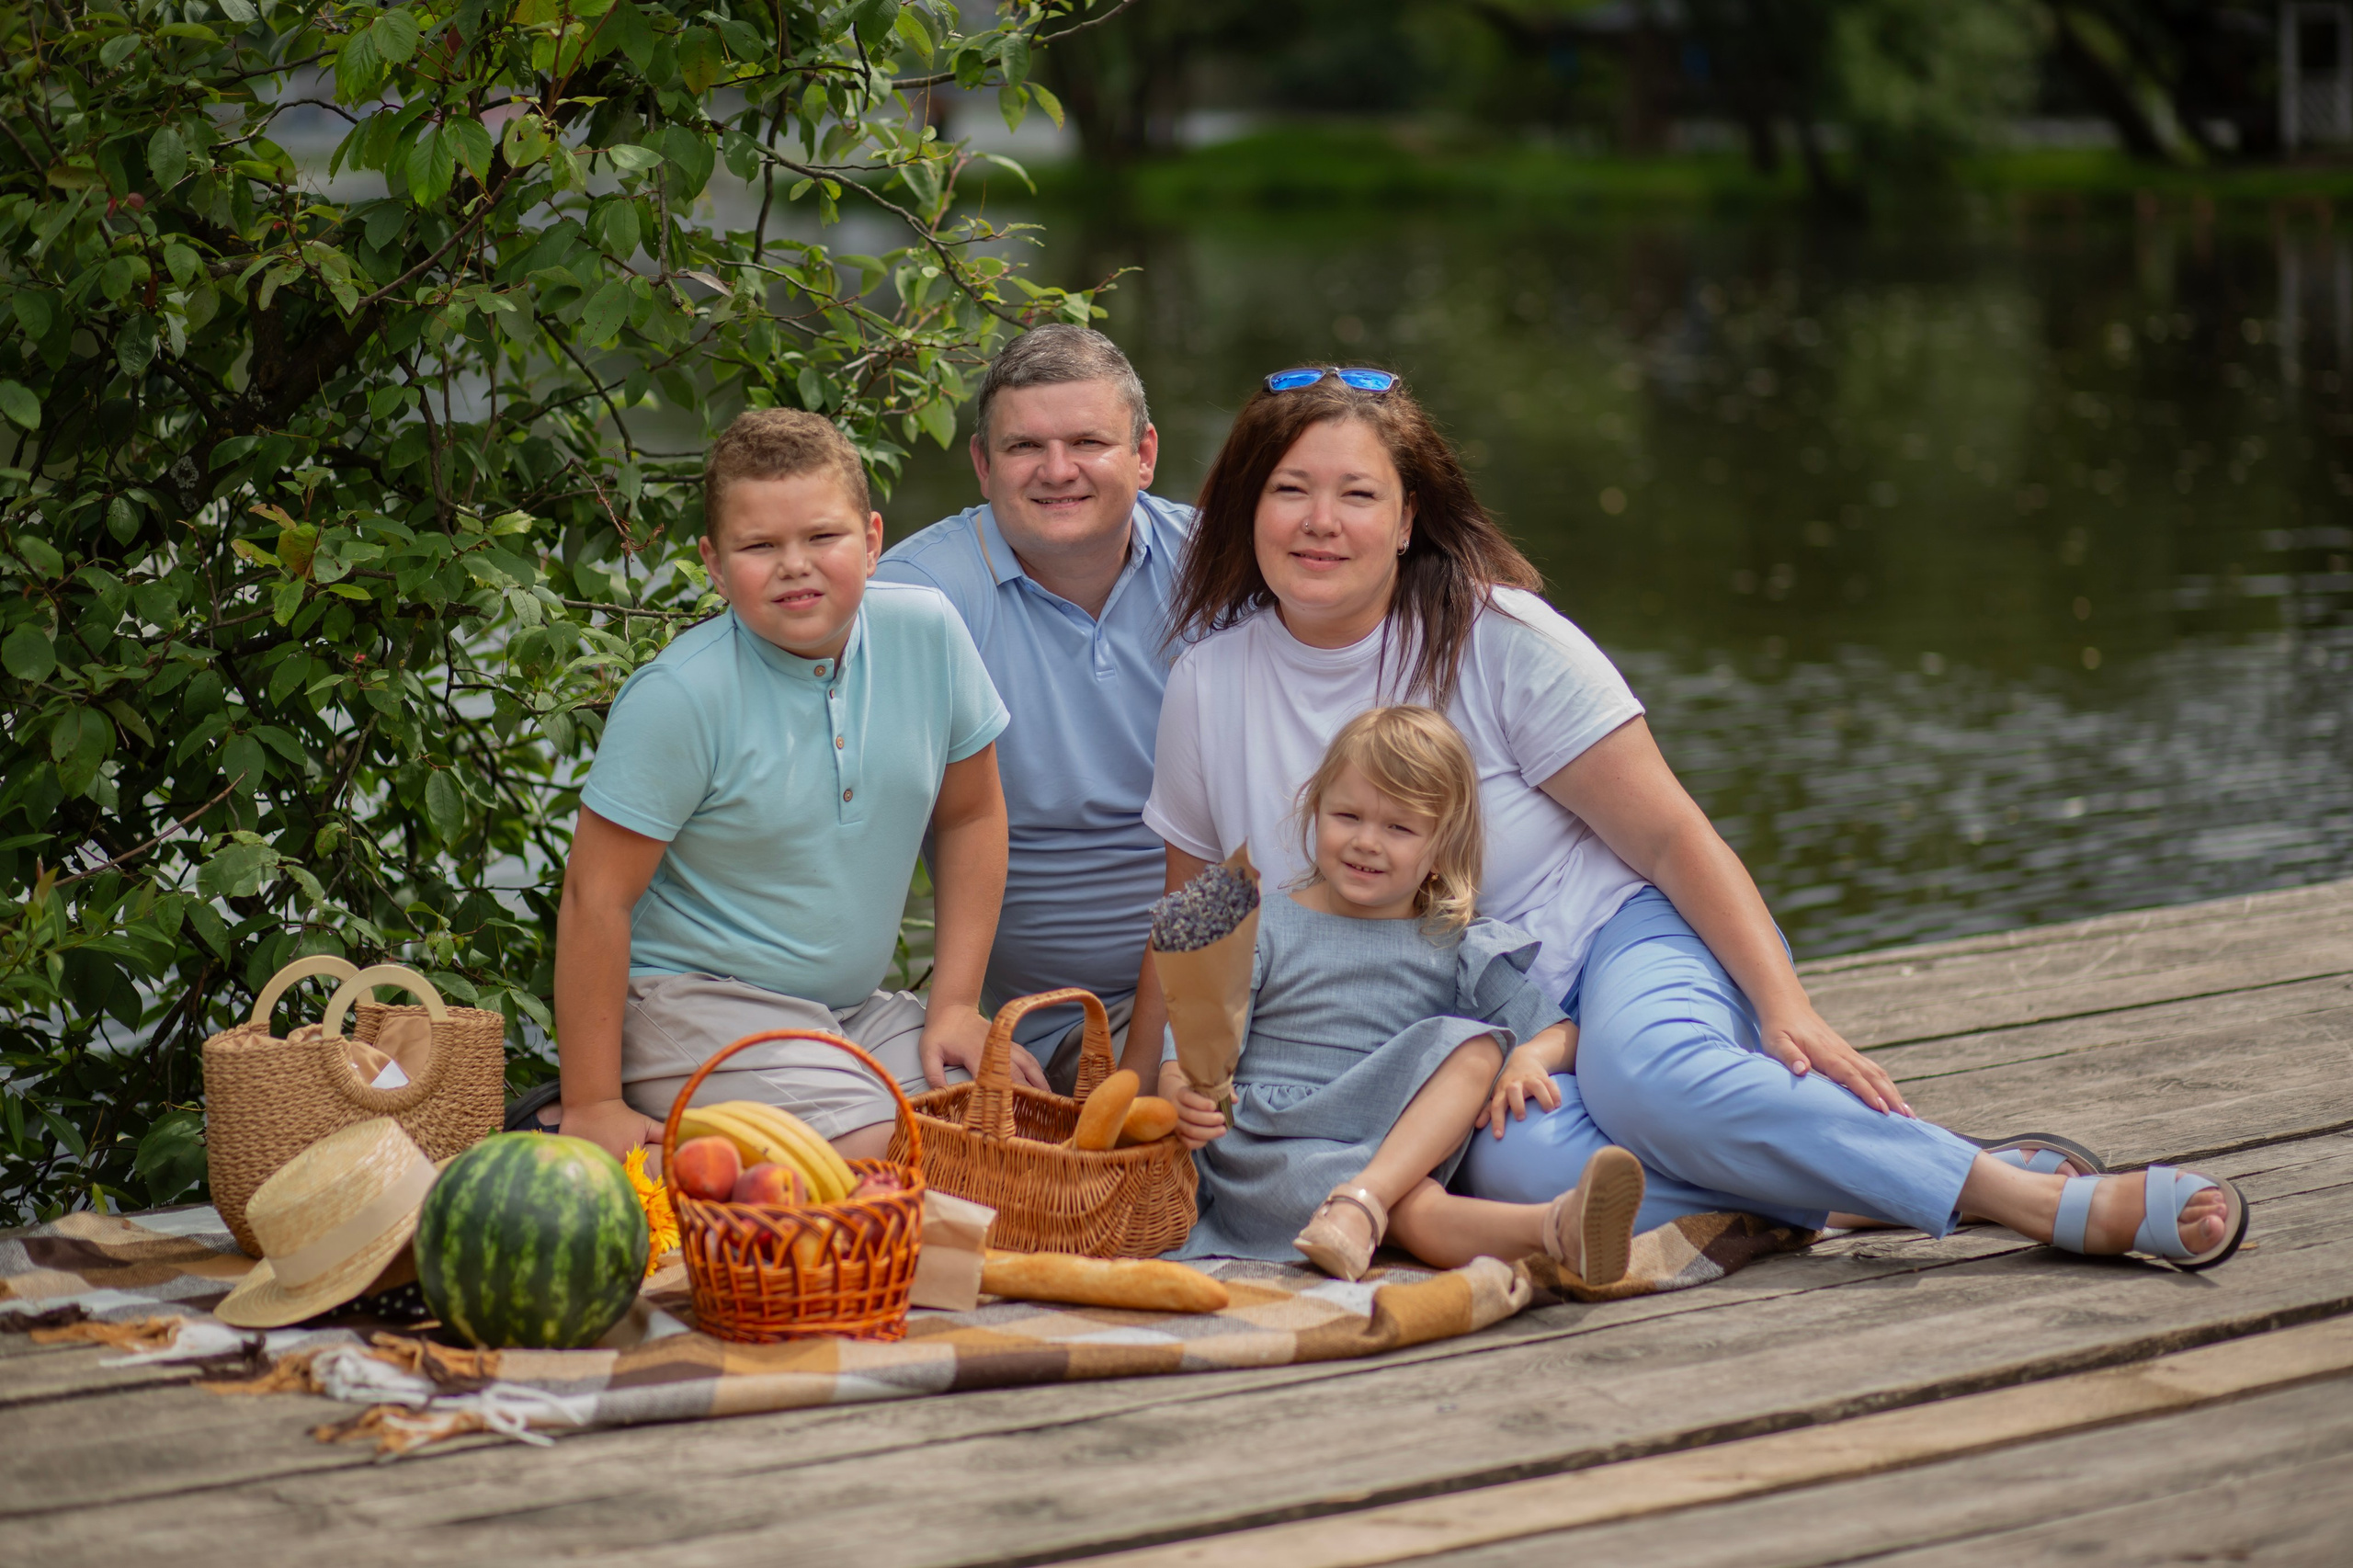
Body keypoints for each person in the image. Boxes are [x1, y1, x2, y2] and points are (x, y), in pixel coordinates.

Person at [1142, 365, 2248, 1271]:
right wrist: (1162, 1094)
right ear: (1248, 503)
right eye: (1291, 489)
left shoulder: (1497, 636)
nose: (1320, 522)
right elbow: (1199, 921)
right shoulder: (1211, 680)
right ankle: (1835, 1184)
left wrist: (1784, 1006)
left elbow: (1672, 837)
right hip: (1464, 1015)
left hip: (1613, 936)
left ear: (1408, 514)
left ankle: (2032, 1196)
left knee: (1661, 1084)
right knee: (1531, 1177)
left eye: (1356, 493)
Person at [550, 408, 1027, 1165]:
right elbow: (595, 898)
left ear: (872, 541)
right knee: (881, 1145)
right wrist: (592, 1103)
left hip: (848, 1014)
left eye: (821, 538)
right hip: (692, 1002)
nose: (794, 565)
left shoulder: (928, 633)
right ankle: (651, 1141)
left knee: (1004, 1115)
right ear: (713, 561)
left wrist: (957, 1005)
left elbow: (970, 816)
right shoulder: (680, 695)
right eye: (759, 546)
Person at [1162, 705, 1647, 1286]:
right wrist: (1182, 1092)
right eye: (1348, 816)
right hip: (1275, 1144)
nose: (1367, 842)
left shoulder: (1452, 945)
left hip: (1386, 1147)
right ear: (1315, 812)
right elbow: (1195, 1041)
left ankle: (1560, 1229)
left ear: (1442, 847)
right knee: (1408, 1203)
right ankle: (1369, 1205)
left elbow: (1562, 1032)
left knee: (1478, 1052)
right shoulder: (1263, 925)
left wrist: (1529, 1058)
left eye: (1399, 828)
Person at [877, 325, 1191, 1091]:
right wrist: (947, 1004)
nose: (1058, 472)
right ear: (983, 464)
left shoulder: (1222, 570)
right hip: (1066, 1023)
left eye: (1089, 441)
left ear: (1144, 455)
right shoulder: (914, 600)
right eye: (1024, 448)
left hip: (1238, 968)